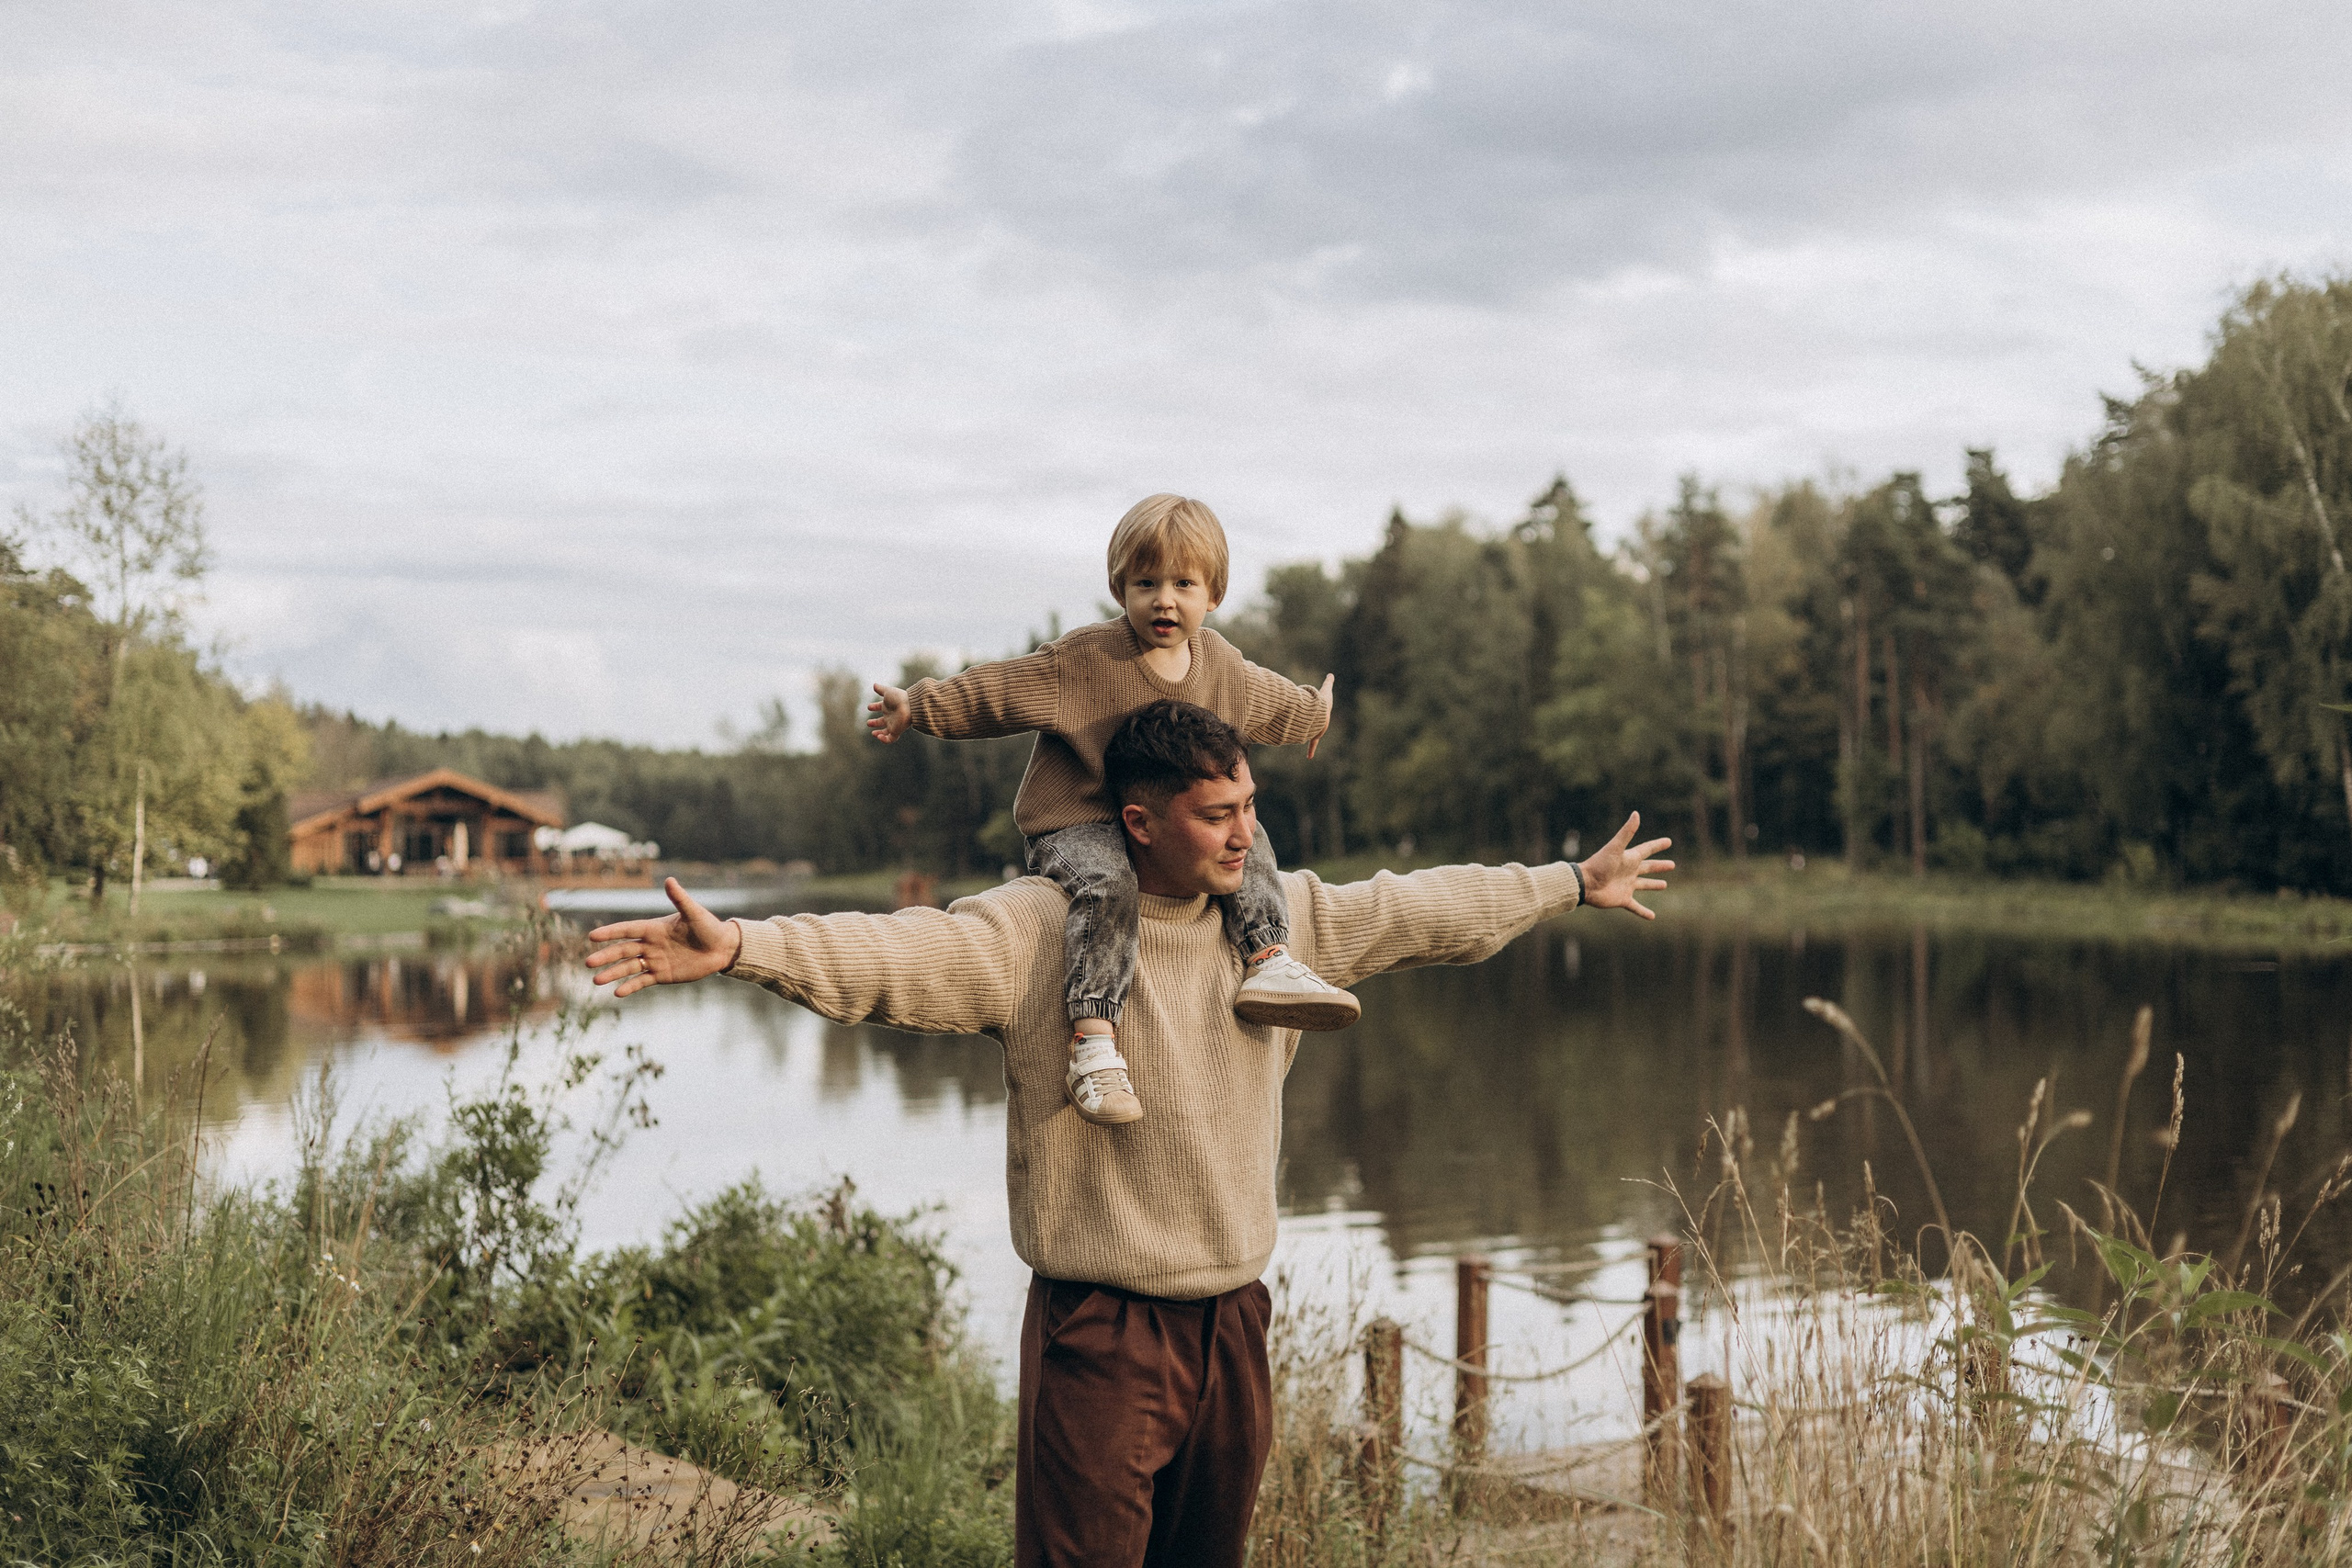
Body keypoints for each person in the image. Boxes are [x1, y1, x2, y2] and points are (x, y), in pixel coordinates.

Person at [585, 700, 1673, 1567]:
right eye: (1215, 815)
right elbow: (895, 957)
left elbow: (1423, 909)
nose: (1244, 834)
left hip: (1234, 1322)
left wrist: (1570, 883)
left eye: (1249, 804)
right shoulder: (1040, 933)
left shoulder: (1280, 928)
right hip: (1102, 1331)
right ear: (1139, 824)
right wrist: (741, 947)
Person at [864, 492, 1352, 1127]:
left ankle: (1267, 959)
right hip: (1079, 821)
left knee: (1246, 837)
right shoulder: (1087, 660)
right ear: (1120, 587)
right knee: (1107, 883)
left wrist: (1314, 712)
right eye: (1145, 583)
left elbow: (1272, 699)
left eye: (1183, 583)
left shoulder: (1222, 667)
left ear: (1214, 595)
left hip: (1166, 830)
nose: (1164, 599)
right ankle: (1093, 1042)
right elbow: (1002, 691)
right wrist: (921, 705)